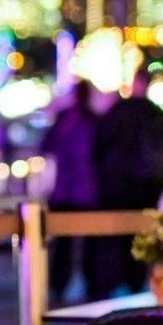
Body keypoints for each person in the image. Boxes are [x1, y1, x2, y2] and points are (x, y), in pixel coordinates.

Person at [92, 69, 163, 294]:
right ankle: (136, 283)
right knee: (142, 237)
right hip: (147, 185)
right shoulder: (155, 114)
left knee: (116, 239)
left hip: (119, 185)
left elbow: (100, 147)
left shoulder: (116, 112)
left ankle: (113, 285)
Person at [40, 80, 103, 300]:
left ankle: (58, 286)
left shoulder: (65, 119)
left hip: (64, 192)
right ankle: (92, 286)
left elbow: (46, 146)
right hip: (87, 192)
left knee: (63, 245)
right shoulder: (94, 121)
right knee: (89, 244)